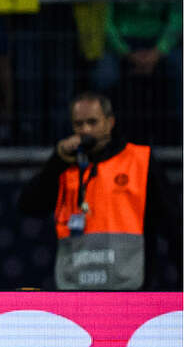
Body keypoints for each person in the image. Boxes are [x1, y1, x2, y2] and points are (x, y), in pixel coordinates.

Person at [17, 92, 180, 290]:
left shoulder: (139, 160)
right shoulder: (65, 165)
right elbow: (28, 206)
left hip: (130, 288)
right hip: (77, 287)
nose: (85, 130)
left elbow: (173, 223)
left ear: (110, 122)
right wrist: (56, 161)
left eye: (92, 122)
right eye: (79, 124)